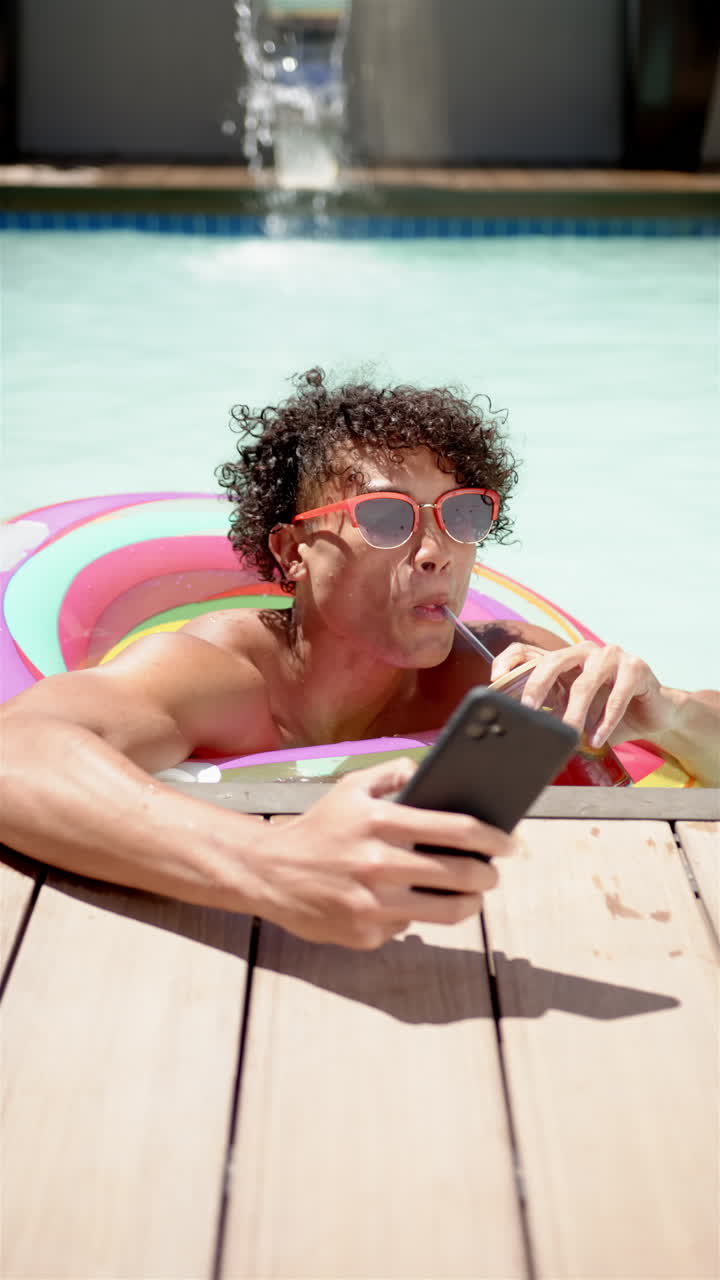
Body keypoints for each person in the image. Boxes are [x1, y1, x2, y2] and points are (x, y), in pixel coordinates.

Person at [1, 370, 718, 948]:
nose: (436, 552)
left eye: (461, 514)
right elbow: (16, 752)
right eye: (386, 517)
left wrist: (670, 716)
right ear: (293, 552)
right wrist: (273, 865)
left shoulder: (503, 668)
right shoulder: (222, 675)